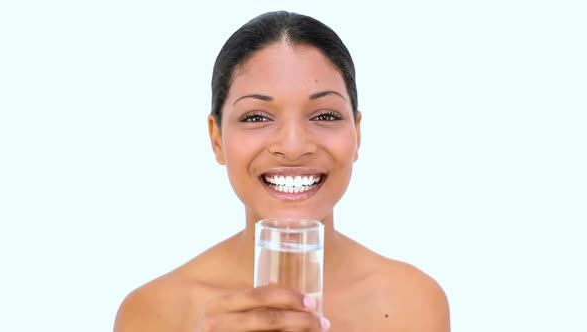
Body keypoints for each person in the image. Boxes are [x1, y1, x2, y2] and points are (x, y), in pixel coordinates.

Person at [114, 10, 450, 332]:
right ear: (216, 138)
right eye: (256, 117)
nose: (292, 146)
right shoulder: (153, 311)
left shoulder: (414, 302)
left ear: (357, 134)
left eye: (325, 116)